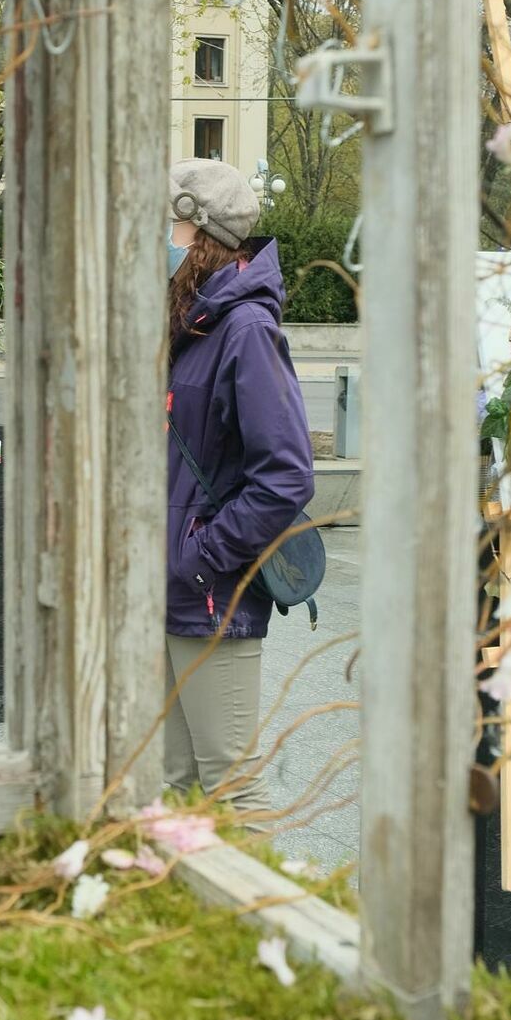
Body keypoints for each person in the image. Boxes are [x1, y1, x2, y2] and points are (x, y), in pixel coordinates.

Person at [165, 158, 315, 815]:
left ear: (199, 234)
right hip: (167, 592)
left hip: (208, 599)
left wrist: (197, 557)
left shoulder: (245, 328)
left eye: (163, 221)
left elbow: (285, 474)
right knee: (166, 788)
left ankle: (266, 920)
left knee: (233, 786)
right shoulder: (186, 325)